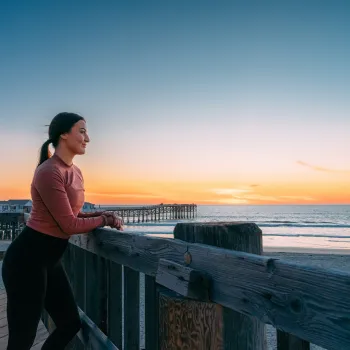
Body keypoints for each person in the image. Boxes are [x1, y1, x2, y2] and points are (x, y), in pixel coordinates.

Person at [1, 112, 123, 350]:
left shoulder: (75, 172)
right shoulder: (49, 171)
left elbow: (73, 214)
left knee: (70, 323)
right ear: (64, 135)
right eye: (82, 131)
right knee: (21, 339)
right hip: (26, 263)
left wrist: (105, 217)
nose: (87, 138)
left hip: (50, 261)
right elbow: (68, 225)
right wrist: (101, 220)